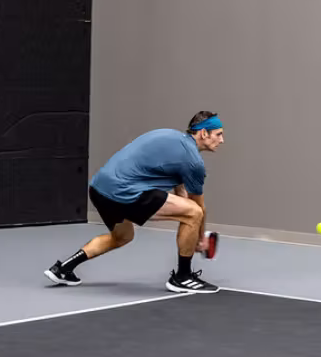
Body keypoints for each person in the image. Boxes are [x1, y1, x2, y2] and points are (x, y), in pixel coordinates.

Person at [45, 111, 225, 293]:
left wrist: (193, 232)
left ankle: (63, 268)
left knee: (122, 236)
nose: (222, 140)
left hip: (99, 189)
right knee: (193, 213)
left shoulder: (170, 138)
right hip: (124, 191)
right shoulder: (194, 161)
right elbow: (198, 207)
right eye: (218, 134)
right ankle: (182, 277)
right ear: (204, 133)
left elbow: (180, 190)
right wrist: (200, 239)